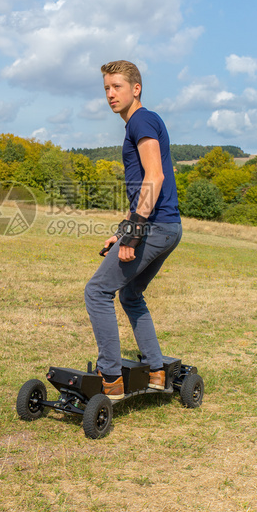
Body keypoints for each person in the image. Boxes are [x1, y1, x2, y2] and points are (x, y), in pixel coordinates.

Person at [84, 60, 182, 400]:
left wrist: (135, 233)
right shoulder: (140, 123)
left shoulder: (141, 120)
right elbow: (143, 187)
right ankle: (156, 370)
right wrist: (123, 229)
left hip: (154, 227)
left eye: (117, 87)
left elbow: (155, 177)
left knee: (97, 292)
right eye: (107, 89)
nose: (110, 94)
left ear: (135, 89)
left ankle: (110, 377)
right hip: (167, 227)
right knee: (130, 294)